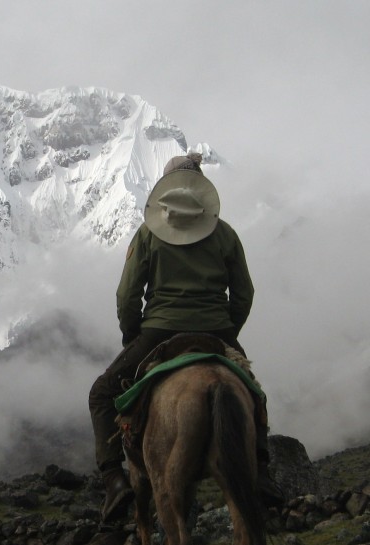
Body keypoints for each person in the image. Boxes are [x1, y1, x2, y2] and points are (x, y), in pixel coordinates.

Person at [88, 153, 283, 523]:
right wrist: (227, 333)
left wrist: (134, 336)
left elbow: (127, 296)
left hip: (158, 330)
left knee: (101, 393)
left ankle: (114, 481)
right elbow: (244, 294)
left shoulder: (148, 233)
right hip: (216, 330)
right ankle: (261, 470)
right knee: (253, 393)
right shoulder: (225, 234)